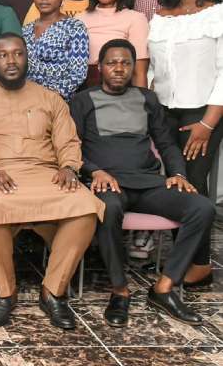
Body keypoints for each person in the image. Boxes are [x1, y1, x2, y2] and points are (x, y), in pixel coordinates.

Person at [0, 33, 103, 329]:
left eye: (17, 53)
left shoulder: (50, 98)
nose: (11, 61)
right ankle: (5, 292)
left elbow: (68, 141)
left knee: (86, 205)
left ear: (27, 58)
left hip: (46, 174)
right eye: (3, 55)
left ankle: (53, 291)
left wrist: (69, 167)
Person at [70, 39, 213, 327]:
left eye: (125, 63)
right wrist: (94, 171)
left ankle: (164, 287)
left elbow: (166, 143)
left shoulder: (147, 99)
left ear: (134, 67)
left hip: (148, 182)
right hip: (108, 183)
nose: (119, 68)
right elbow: (71, 146)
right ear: (100, 67)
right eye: (112, 63)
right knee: (109, 208)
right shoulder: (83, 100)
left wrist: (178, 174)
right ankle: (120, 290)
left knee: (202, 208)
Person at [148, 0, 223, 287]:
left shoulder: (216, 14)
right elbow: (154, 69)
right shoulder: (161, 17)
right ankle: (182, 258)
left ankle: (200, 263)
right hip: (164, 111)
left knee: (194, 183)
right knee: (173, 183)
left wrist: (208, 123)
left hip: (201, 113)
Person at [78, 0, 149, 88]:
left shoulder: (136, 19)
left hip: (121, 90)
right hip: (83, 91)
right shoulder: (79, 19)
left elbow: (139, 73)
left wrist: (141, 100)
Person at [22, 0, 89, 100]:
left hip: (58, 101)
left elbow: (78, 73)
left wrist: (50, 97)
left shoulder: (75, 28)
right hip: (26, 99)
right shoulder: (26, 30)